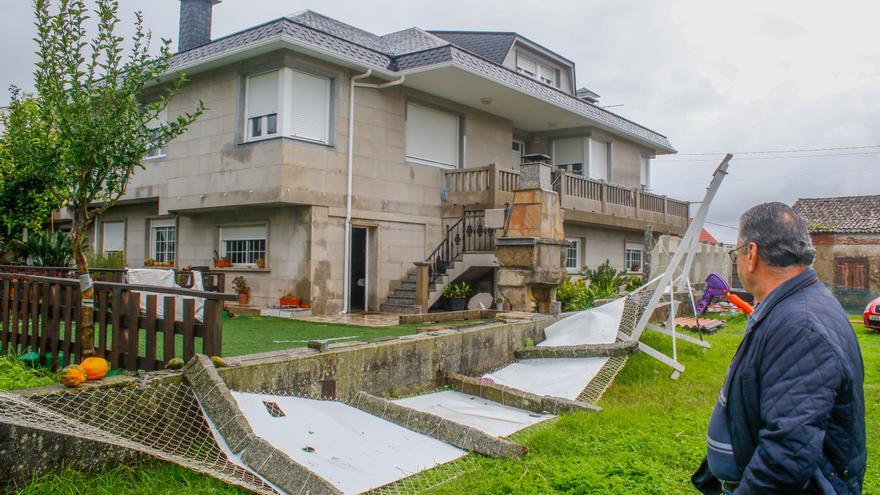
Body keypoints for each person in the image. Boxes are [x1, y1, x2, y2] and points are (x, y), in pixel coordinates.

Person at [692, 202, 866, 494]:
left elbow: (786, 456)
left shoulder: (801, 327)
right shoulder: (795, 305)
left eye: (736, 253)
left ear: (752, 254)